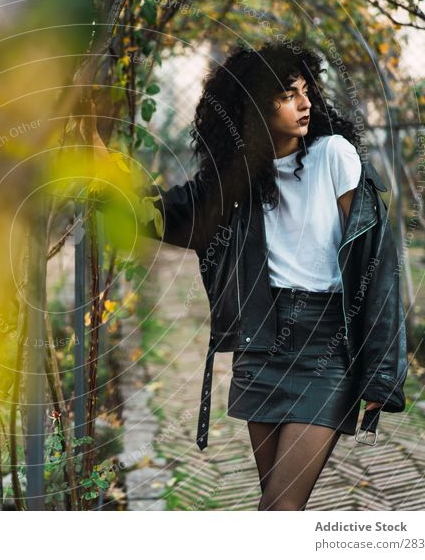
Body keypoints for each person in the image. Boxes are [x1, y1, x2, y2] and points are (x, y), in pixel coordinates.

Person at [98, 41, 406, 510]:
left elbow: (376, 265)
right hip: (260, 345)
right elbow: (163, 212)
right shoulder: (235, 179)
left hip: (325, 351)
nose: (304, 104)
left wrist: (380, 374)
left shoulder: (334, 156)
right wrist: (95, 163)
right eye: (287, 95)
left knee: (279, 509)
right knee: (276, 504)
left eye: (306, 91)